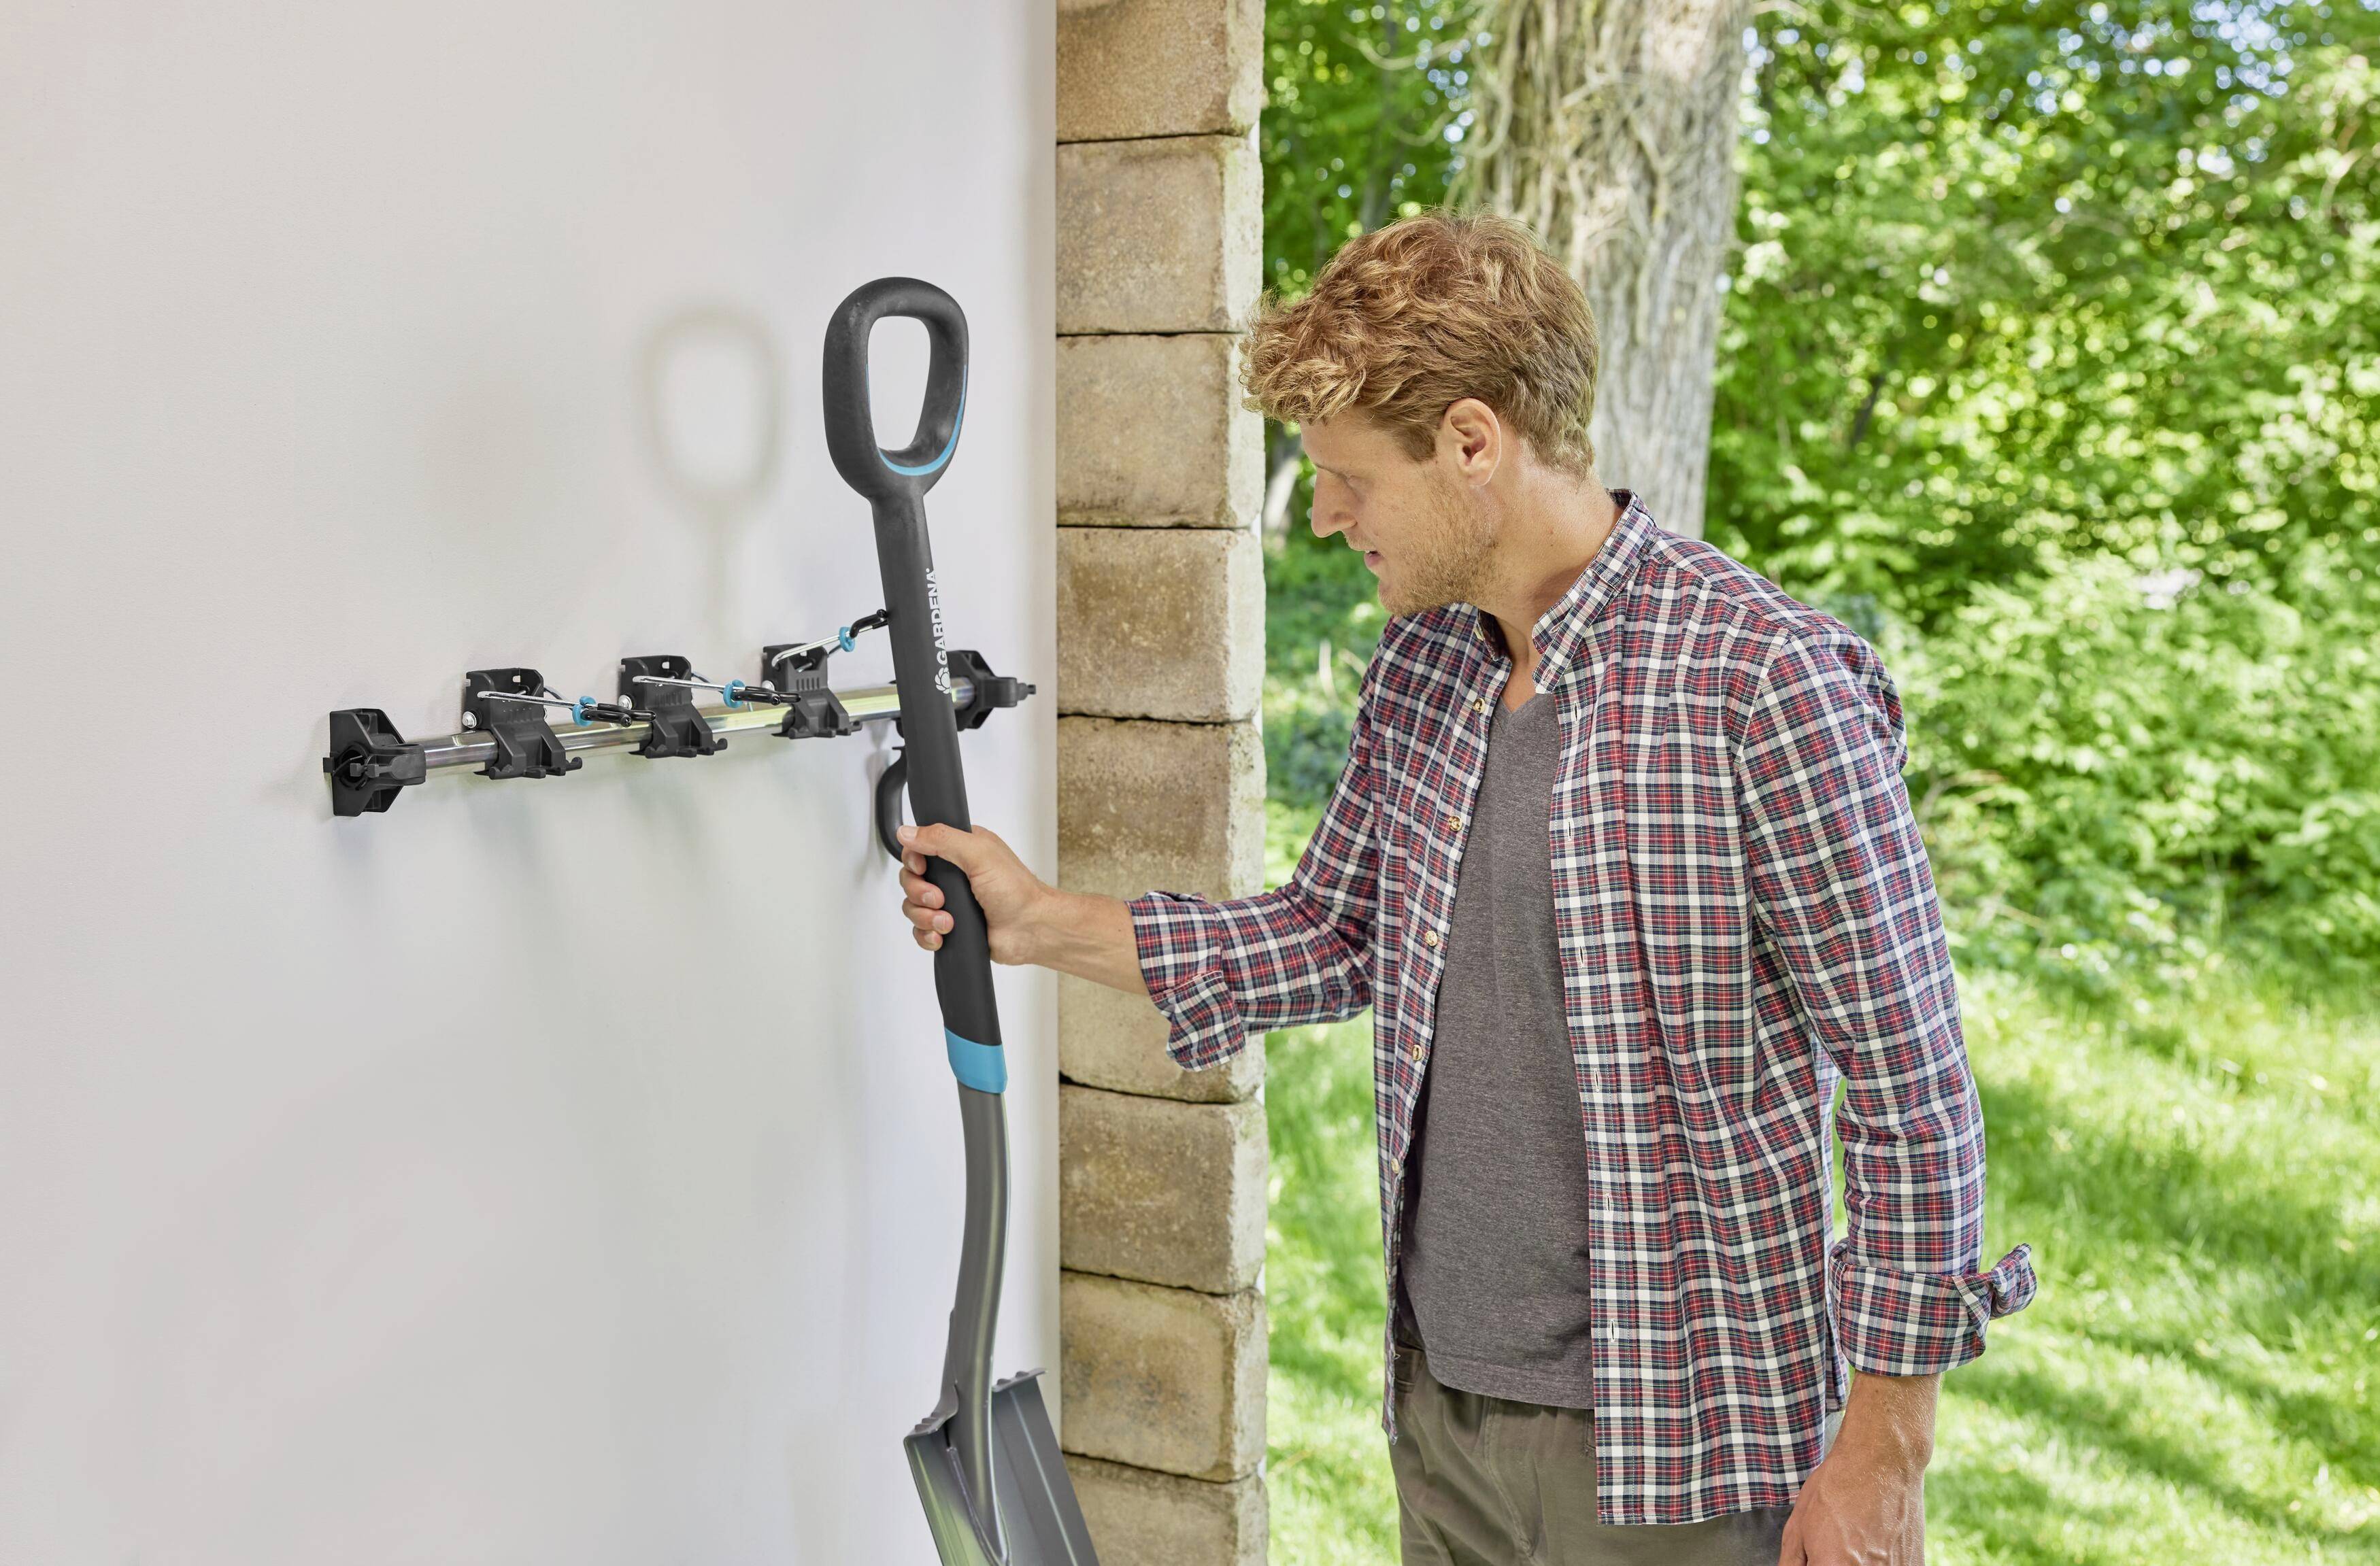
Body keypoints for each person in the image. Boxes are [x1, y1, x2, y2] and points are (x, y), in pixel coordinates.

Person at [894, 211, 2034, 1566]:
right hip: (1443, 1417)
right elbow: (1337, 934)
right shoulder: (1427, 667)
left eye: (1349, 478)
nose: (1327, 515)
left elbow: (1912, 1088)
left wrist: (1884, 1457)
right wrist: (1043, 923)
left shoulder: (1760, 681)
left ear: (1474, 442)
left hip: (1689, 1443)